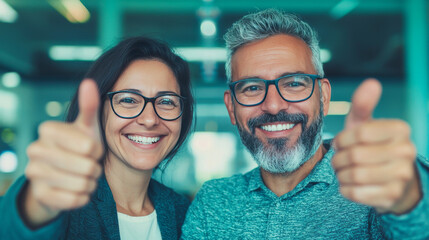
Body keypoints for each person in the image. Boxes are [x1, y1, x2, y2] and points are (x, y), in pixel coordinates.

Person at [181, 9, 429, 239]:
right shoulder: (213, 202)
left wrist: (408, 203)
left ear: (323, 96)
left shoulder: (372, 183)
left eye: (294, 83)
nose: (274, 106)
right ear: (231, 107)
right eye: (253, 88)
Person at [0, 36, 194, 239]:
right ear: (100, 111)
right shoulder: (66, 205)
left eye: (166, 101)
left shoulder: (184, 213)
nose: (149, 119)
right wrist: (35, 205)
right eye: (128, 99)